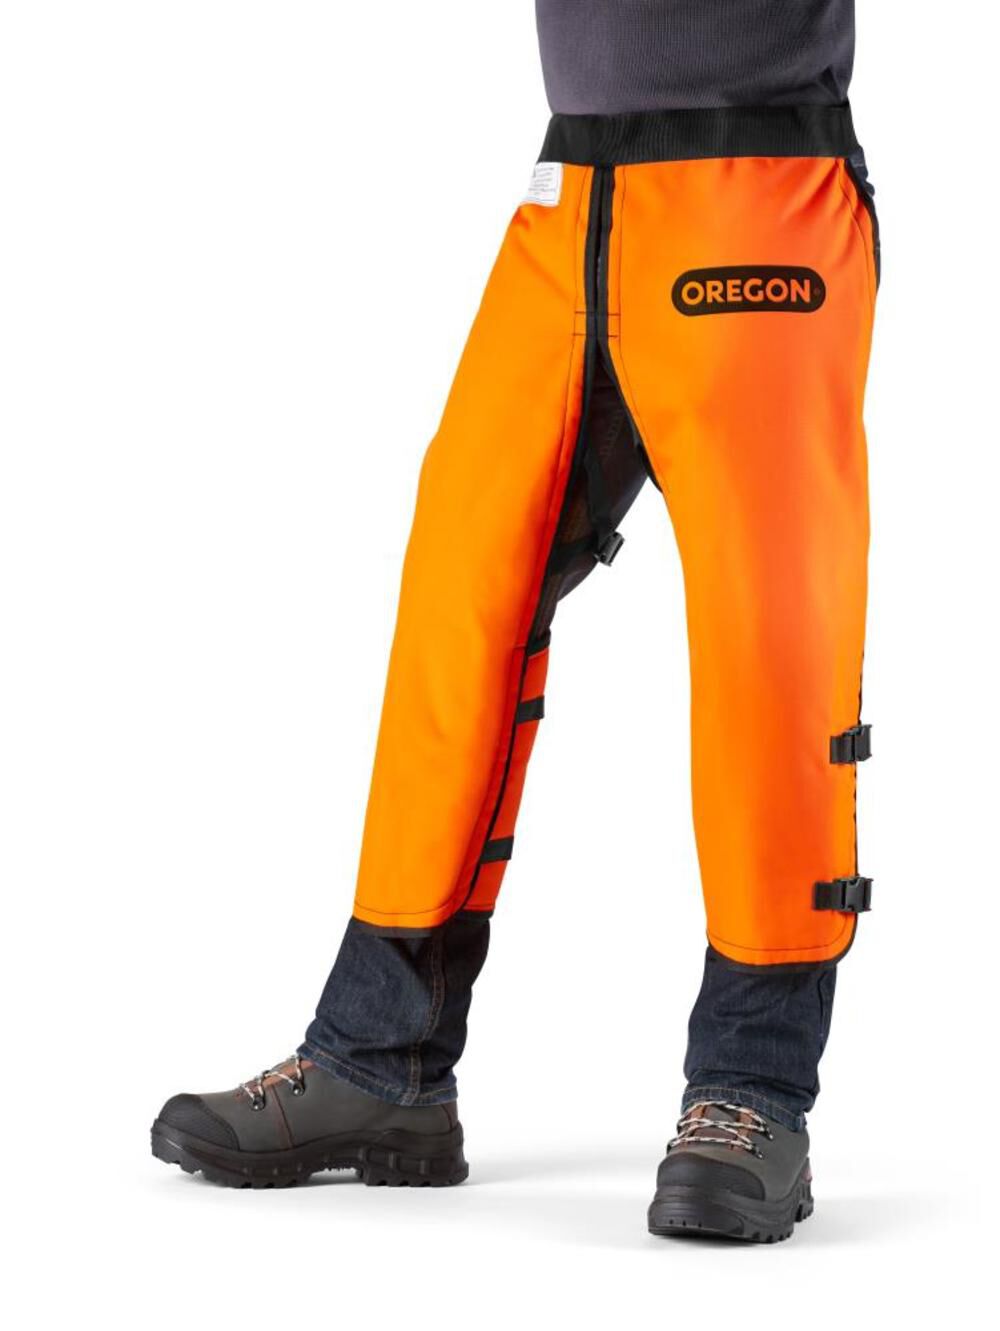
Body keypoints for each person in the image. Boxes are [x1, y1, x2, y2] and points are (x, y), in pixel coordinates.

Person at [152, 0, 878, 1244]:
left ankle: (752, 1089)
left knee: (769, 636)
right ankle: (380, 1058)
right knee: (461, 586)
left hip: (762, 180)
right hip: (572, 188)